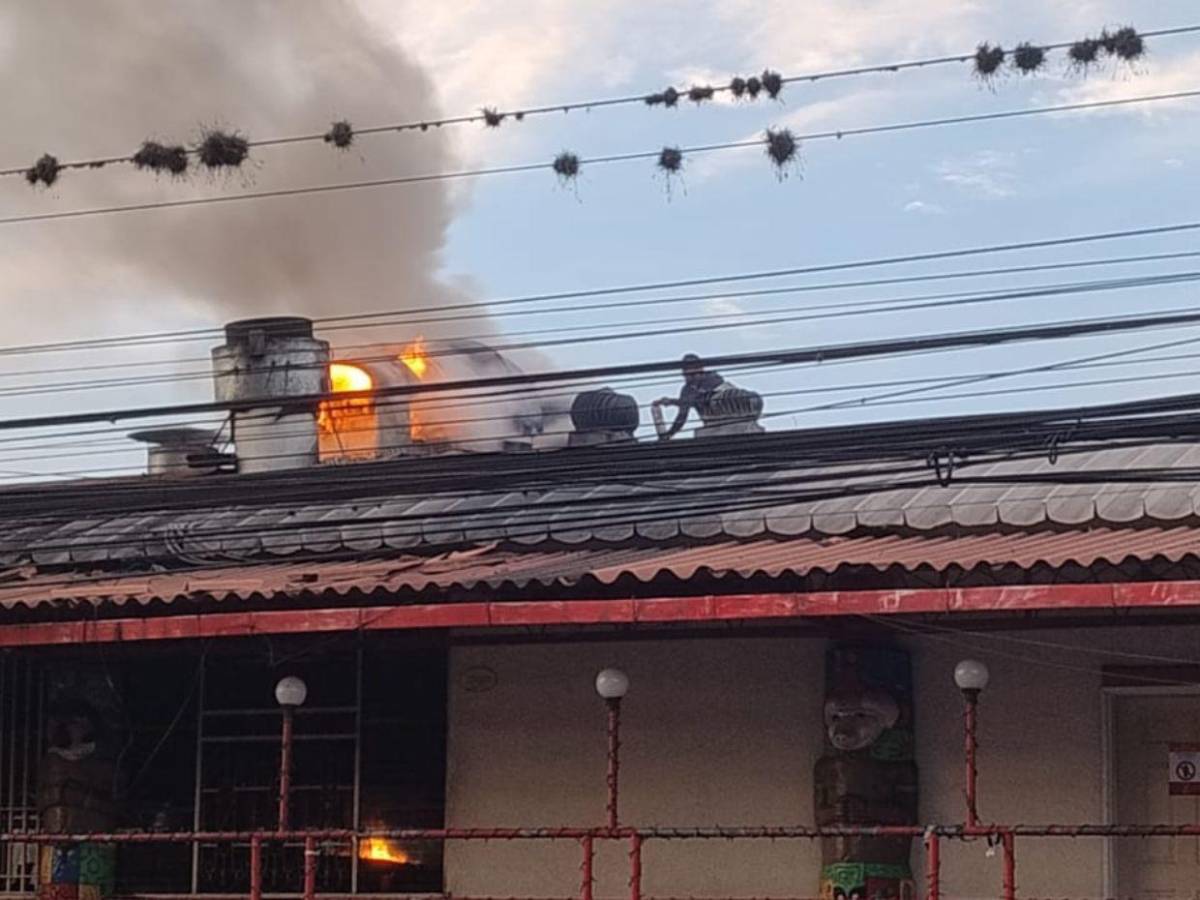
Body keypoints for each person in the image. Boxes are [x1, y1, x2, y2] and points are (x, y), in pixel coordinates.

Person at [653, 354, 725, 440]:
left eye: (693, 373)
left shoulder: (713, 378)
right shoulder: (687, 390)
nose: (689, 377)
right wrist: (669, 434)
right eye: (686, 372)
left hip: (730, 421)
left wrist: (672, 401)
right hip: (710, 426)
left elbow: (702, 398)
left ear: (700, 369)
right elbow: (682, 416)